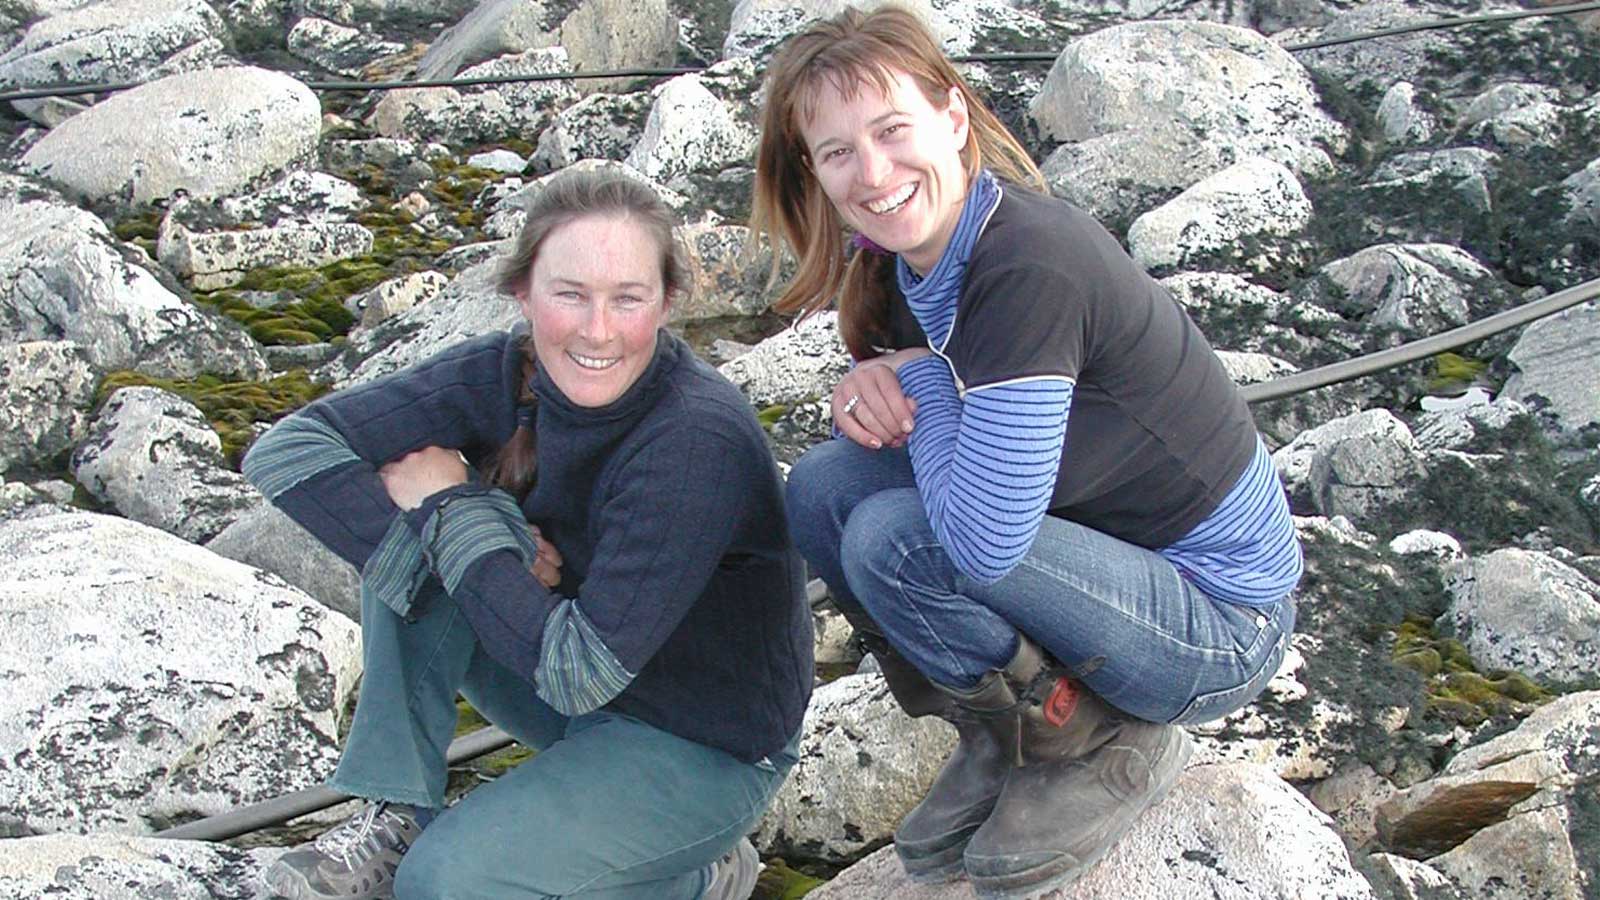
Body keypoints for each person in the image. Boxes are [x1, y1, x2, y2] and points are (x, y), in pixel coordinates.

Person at [750, 6, 1303, 898]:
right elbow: (925, 419)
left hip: (1216, 620)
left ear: (954, 119)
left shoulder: (1027, 265)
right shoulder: (905, 262)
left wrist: (921, 382)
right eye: (838, 151)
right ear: (813, 169)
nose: (874, 172)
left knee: (896, 537)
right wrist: (873, 382)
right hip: (1106, 556)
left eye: (893, 131)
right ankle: (1003, 735)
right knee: (819, 489)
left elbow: (983, 546)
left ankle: (1099, 742)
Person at [242, 169, 814, 900]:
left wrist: (462, 517)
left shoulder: (696, 439)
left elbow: (581, 674)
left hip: (705, 743)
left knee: (443, 886)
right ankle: (398, 809)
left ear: (667, 305)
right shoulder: (504, 372)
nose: (596, 329)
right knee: (421, 524)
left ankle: (695, 875)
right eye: (569, 294)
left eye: (627, 299)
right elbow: (290, 451)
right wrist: (472, 531)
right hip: (566, 676)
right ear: (524, 294)